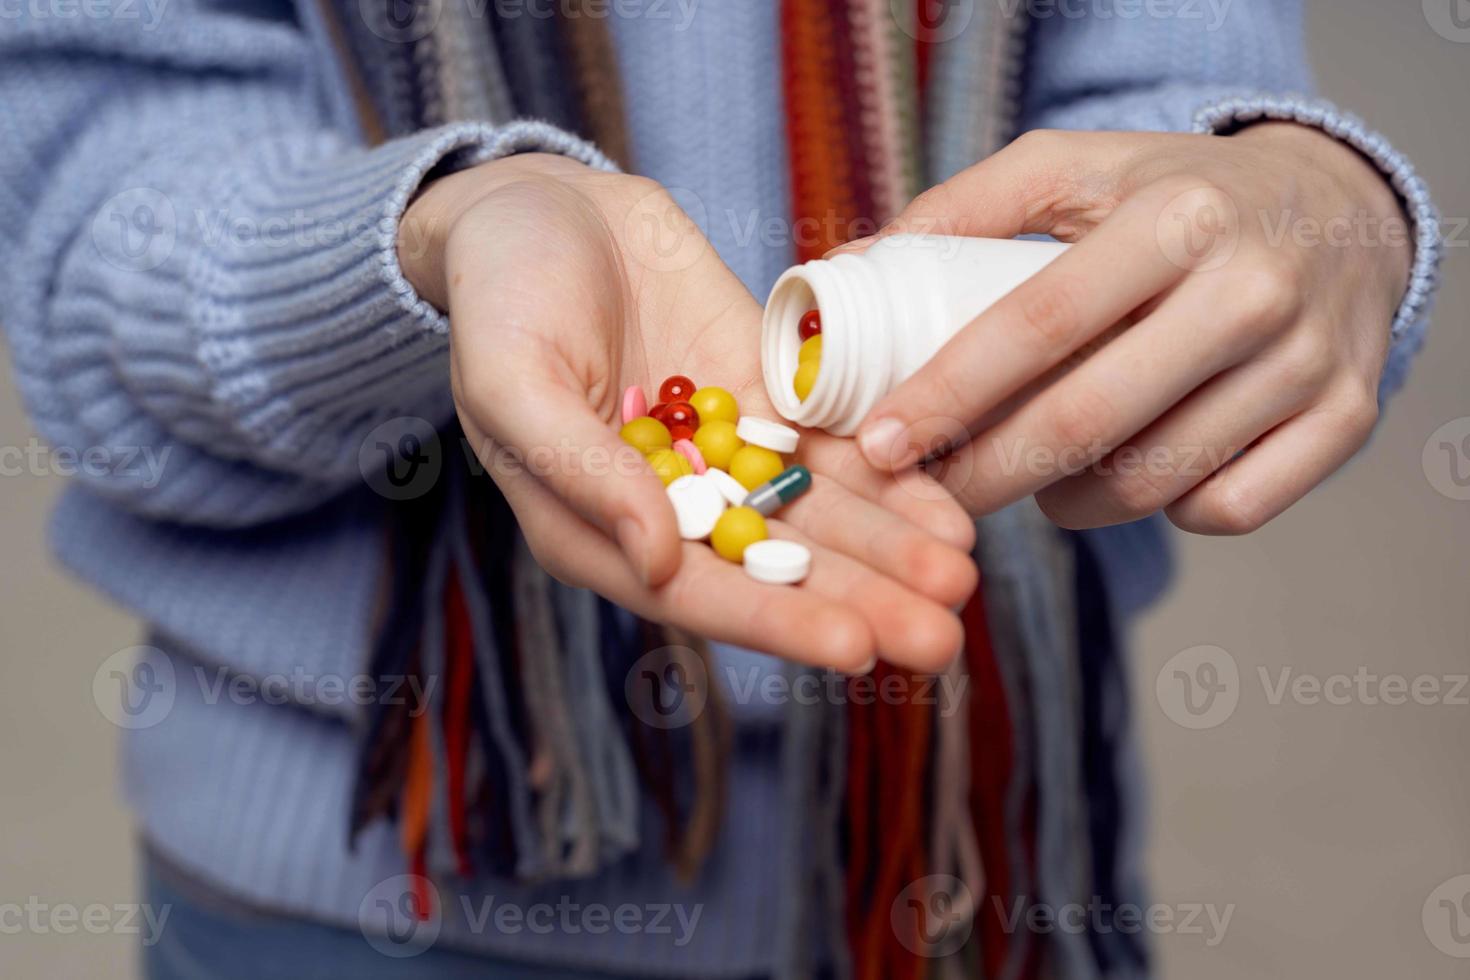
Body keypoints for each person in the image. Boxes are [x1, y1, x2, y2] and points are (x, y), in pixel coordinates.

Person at [0, 0, 1438, 977]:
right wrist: (441, 235)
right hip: (367, 884)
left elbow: (1186, 111)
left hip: (987, 861)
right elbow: (89, 229)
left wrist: (1319, 203)